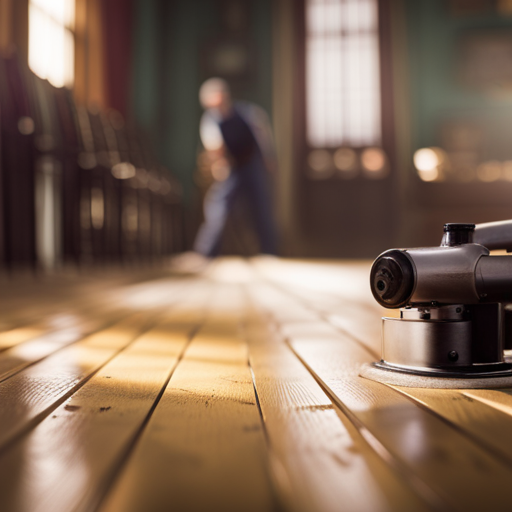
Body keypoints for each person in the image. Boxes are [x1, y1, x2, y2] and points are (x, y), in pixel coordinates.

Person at [191, 78, 278, 262]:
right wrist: (219, 164)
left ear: (225, 97)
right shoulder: (210, 120)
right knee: (218, 207)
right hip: (232, 166)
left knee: (261, 207)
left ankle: (269, 252)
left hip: (253, 165)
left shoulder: (249, 113)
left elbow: (263, 138)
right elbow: (214, 146)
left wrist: (268, 159)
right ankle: (206, 253)